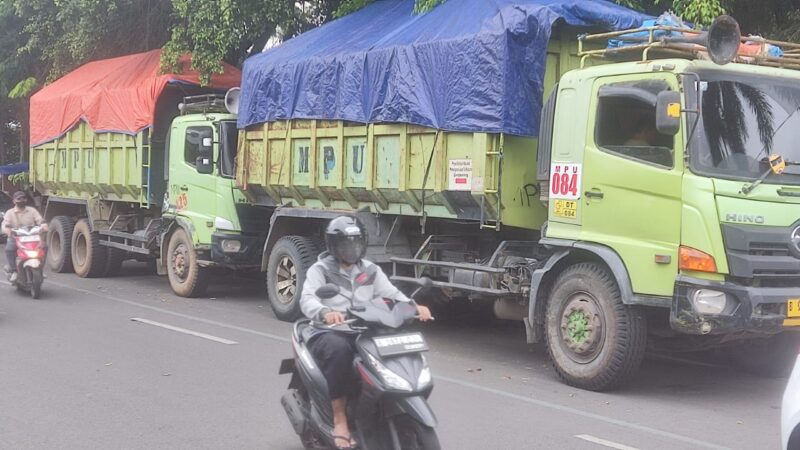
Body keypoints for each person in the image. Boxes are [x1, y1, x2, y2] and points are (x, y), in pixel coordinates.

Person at [299, 216, 433, 449]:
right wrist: (324, 312)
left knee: (394, 350)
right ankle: (340, 420)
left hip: (365, 329)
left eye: (355, 243)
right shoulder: (320, 270)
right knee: (339, 351)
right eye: (345, 244)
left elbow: (391, 293)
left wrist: (413, 306)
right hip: (331, 330)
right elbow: (307, 299)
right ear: (333, 245)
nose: (351, 249)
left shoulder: (370, 270)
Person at [3, 191, 47, 282]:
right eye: (19, 199)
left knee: (44, 247)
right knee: (9, 249)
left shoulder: (32, 210)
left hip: (32, 238)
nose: (21, 200)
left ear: (26, 200)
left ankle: (40, 268)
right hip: (15, 238)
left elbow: (40, 220)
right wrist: (8, 231)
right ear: (14, 201)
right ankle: (14, 270)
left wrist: (44, 226)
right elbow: (5, 224)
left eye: (23, 198)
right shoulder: (9, 213)